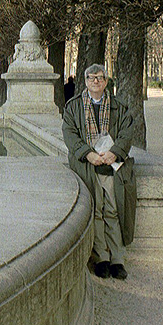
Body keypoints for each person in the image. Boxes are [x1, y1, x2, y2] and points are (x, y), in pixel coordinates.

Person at [62, 64, 136, 280]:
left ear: (106, 81)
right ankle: (101, 258)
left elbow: (126, 133)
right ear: (85, 81)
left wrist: (115, 152)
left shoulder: (119, 106)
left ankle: (117, 260)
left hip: (112, 166)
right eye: (92, 77)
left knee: (113, 211)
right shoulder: (73, 107)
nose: (96, 81)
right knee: (96, 211)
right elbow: (70, 134)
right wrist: (87, 153)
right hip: (88, 166)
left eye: (100, 78)